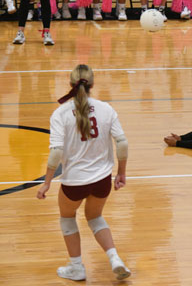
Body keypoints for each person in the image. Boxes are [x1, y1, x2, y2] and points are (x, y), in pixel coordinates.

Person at [36, 64, 131, 281]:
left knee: (67, 218)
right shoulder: (106, 109)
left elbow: (56, 152)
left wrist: (47, 182)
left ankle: (76, 267)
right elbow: (122, 143)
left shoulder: (60, 113)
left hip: (74, 182)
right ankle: (115, 258)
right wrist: (121, 173)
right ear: (92, 85)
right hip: (102, 180)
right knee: (95, 217)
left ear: (70, 84)